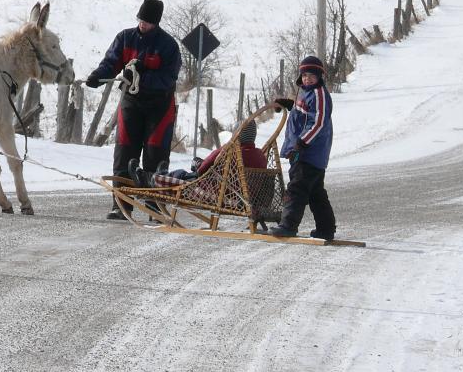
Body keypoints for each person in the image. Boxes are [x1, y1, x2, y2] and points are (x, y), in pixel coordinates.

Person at [86, 0, 182, 220]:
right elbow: (111, 62)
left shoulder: (168, 45)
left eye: (147, 22)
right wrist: (98, 77)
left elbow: (169, 77)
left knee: (155, 155)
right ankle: (121, 205)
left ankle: (155, 206)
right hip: (131, 102)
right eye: (140, 20)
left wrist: (143, 75)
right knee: (124, 152)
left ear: (156, 23)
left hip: (159, 106)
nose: (142, 24)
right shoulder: (125, 38)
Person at [269, 56, 337, 239]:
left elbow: (318, 123)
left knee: (296, 188)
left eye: (312, 76)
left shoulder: (319, 94)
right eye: (305, 75)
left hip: (309, 152)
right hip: (304, 150)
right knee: (315, 193)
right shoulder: (305, 92)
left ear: (319, 77)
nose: (308, 79)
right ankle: (326, 229)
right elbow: (303, 113)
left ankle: (288, 225)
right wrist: (289, 105)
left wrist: (301, 143)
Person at [128, 119, 266, 188]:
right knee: (190, 172)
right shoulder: (260, 156)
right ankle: (162, 174)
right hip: (243, 194)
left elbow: (202, 170)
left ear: (236, 136)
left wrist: (199, 165)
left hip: (218, 190)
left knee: (183, 174)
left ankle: (148, 179)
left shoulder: (228, 151)